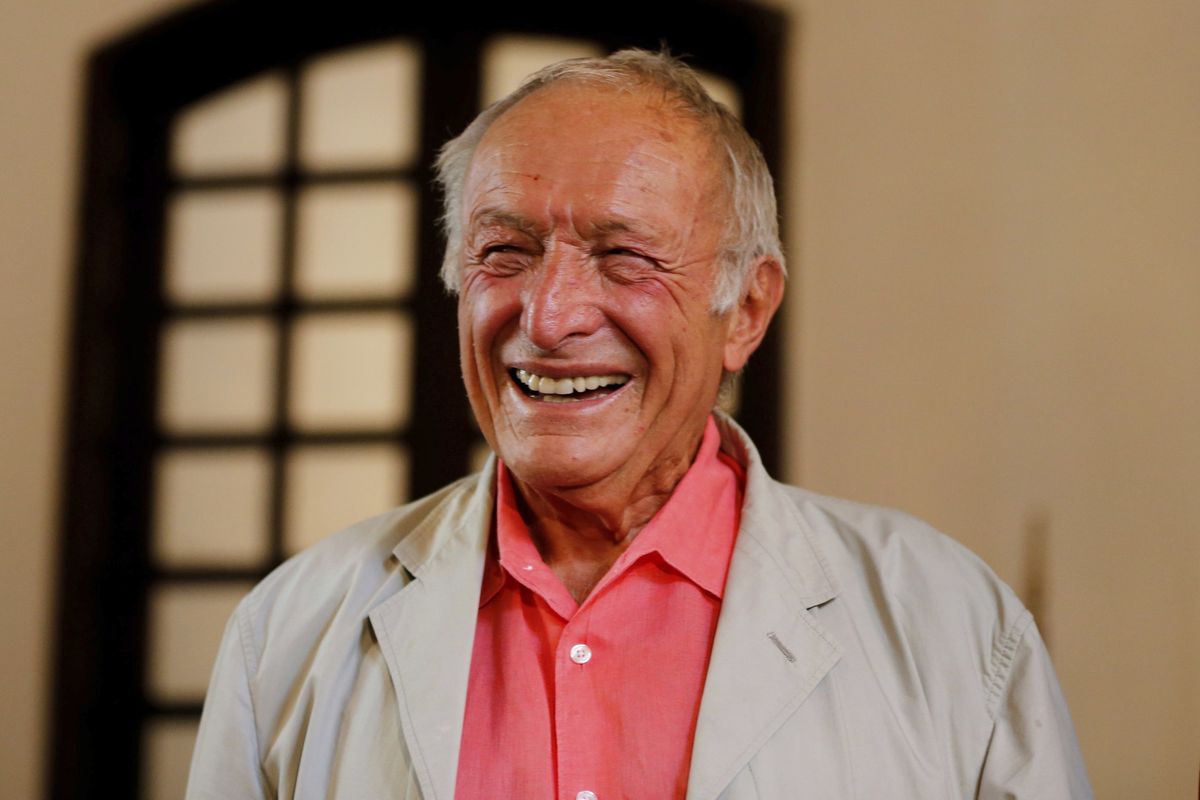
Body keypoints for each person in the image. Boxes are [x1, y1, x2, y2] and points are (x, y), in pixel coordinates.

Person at [187, 50, 1092, 800]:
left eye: (624, 257)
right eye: (505, 252)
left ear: (746, 311)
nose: (549, 317)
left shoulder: (952, 628)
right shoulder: (290, 630)